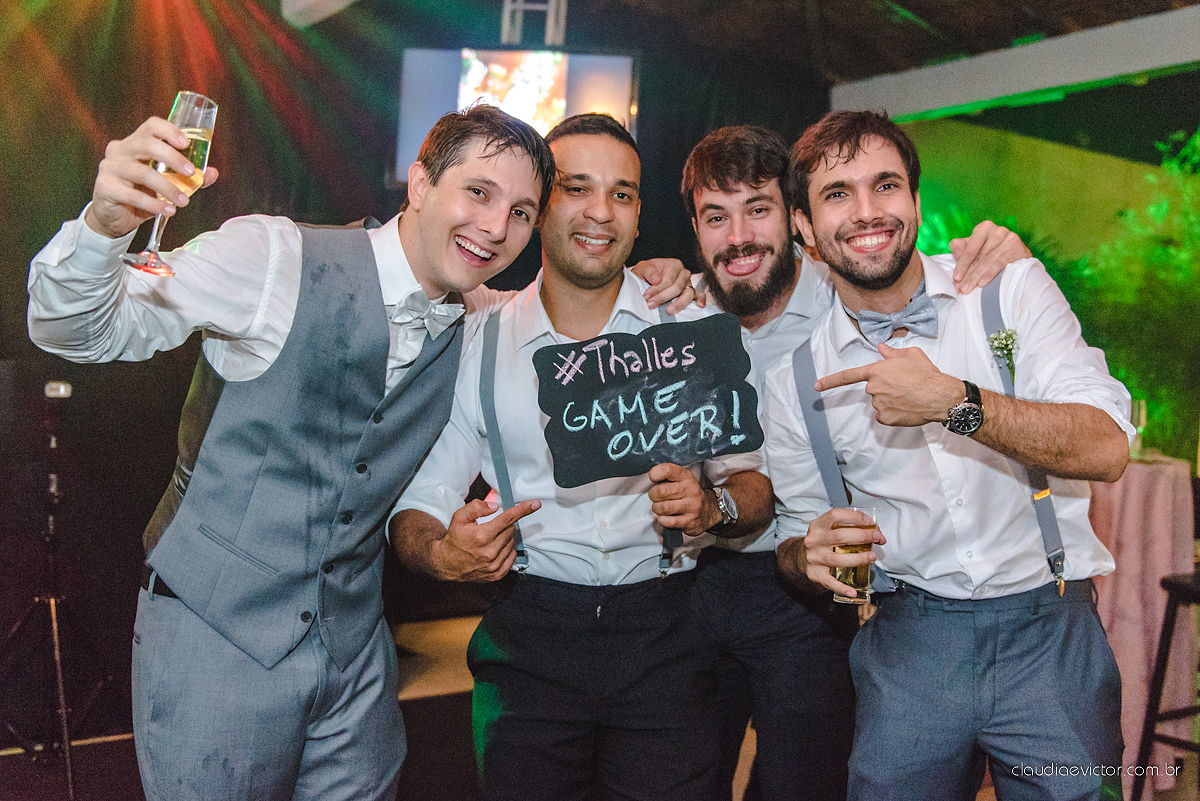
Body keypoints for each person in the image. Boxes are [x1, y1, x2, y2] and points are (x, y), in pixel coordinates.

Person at [26, 105, 558, 801]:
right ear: (421, 183)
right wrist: (104, 226)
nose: (495, 227)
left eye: (521, 213)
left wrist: (673, 283)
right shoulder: (272, 257)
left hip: (356, 655)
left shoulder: (481, 315)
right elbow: (75, 329)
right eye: (479, 192)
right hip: (217, 637)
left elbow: (580, 320)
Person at [389, 112, 774, 801]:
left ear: (639, 215)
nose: (601, 211)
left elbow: (754, 488)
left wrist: (712, 507)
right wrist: (443, 553)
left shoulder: (690, 329)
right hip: (529, 640)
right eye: (577, 187)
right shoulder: (481, 342)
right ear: (539, 206)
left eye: (622, 193)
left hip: (669, 638)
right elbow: (418, 506)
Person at [762, 109, 1130, 801]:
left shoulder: (1009, 294)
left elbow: (1107, 446)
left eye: (886, 185)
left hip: (1049, 630)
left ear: (915, 201)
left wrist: (954, 402)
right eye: (838, 194)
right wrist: (806, 555)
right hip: (909, 644)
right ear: (805, 230)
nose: (867, 211)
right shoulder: (795, 381)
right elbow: (793, 539)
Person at [679, 124, 1032, 801]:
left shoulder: (846, 294)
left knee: (803, 783)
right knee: (683, 778)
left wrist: (1002, 253)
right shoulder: (676, 310)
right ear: (694, 229)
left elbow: (926, 276)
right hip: (700, 579)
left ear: (798, 222)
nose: (739, 237)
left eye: (758, 209)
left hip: (811, 591)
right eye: (715, 217)